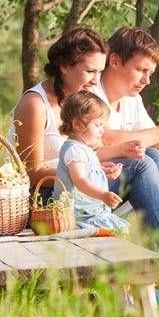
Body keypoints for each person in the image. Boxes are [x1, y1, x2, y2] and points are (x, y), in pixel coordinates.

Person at [10, 27, 159, 283]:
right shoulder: (35, 104)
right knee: (141, 167)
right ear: (64, 66)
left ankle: (158, 255)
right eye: (90, 71)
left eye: (99, 71)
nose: (96, 80)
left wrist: (101, 162)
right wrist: (86, 170)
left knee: (154, 158)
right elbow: (30, 172)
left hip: (80, 184)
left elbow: (90, 149)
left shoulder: (79, 100)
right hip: (50, 197)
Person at [93, 27, 159, 209]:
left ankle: (149, 228)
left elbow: (154, 141)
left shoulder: (133, 100)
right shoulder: (91, 93)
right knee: (148, 159)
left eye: (150, 73)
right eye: (141, 70)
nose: (146, 80)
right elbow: (105, 139)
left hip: (123, 180)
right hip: (97, 181)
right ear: (114, 61)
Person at [55, 90, 127, 232]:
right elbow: (80, 180)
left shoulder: (83, 149)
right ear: (77, 124)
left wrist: (103, 172)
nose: (102, 131)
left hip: (90, 212)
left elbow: (86, 172)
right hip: (79, 215)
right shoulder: (74, 150)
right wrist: (103, 195)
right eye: (98, 125)